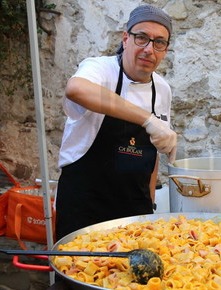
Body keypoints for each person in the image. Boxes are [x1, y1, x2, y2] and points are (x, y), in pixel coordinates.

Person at [55, 4, 177, 241]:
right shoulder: (100, 69)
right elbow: (76, 89)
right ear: (125, 39)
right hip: (85, 207)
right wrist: (147, 119)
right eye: (141, 38)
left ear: (165, 50)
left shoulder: (162, 89)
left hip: (134, 211)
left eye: (159, 43)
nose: (149, 49)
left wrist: (149, 204)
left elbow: (152, 154)